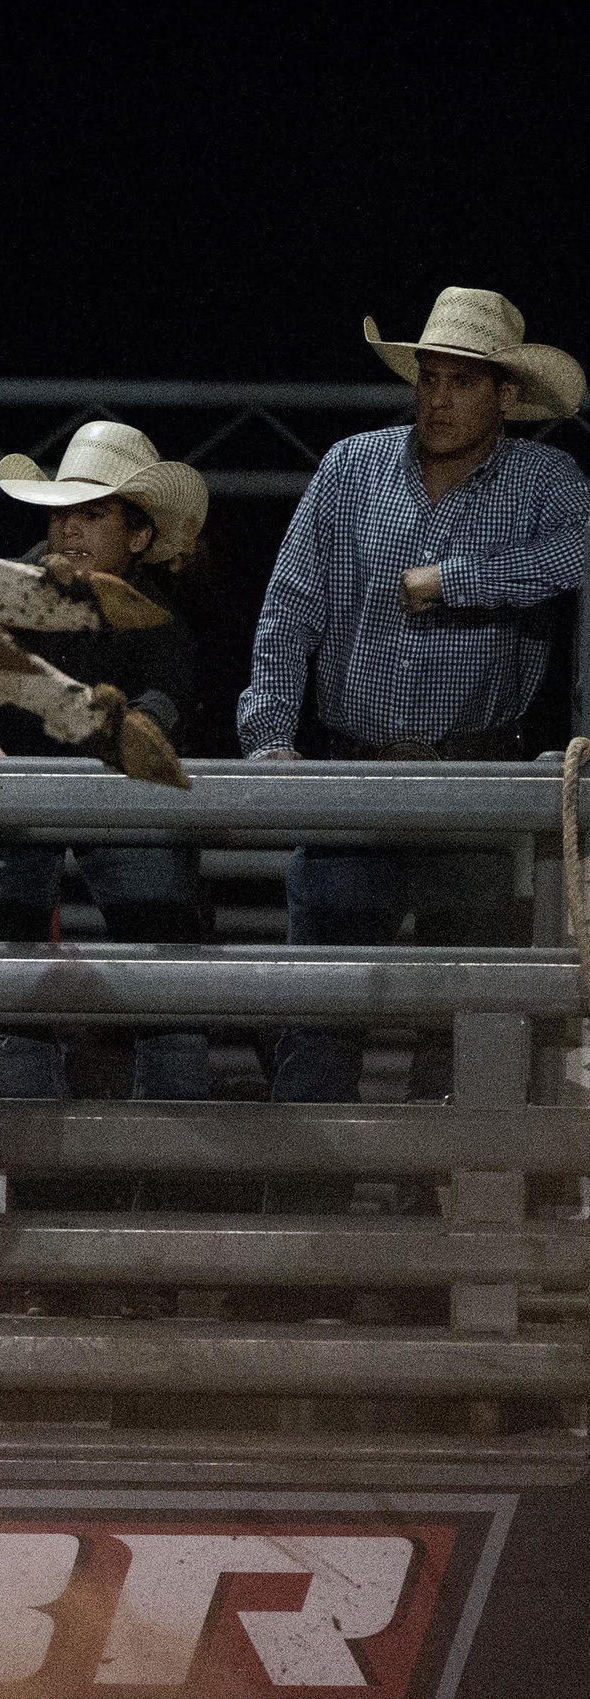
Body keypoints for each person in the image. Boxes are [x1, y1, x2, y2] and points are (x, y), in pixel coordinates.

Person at [240, 289, 590, 1109]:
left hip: (471, 790)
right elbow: (290, 607)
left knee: (459, 1026)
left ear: (506, 395)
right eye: (429, 379)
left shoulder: (545, 479)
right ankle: (307, 1217)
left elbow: (582, 551)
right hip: (353, 779)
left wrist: (454, 582)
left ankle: (437, 1213)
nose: (437, 399)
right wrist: (268, 737)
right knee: (321, 1016)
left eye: (462, 383)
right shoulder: (352, 466)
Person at [0, 421, 212, 1103]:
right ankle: (32, 1181)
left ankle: (171, 1182)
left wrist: (136, 728)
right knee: (14, 1005)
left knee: (167, 993)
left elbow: (168, 693)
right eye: (62, 513)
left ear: (138, 536)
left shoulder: (161, 618)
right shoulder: (6, 589)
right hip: (18, 795)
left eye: (94, 514)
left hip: (117, 797)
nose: (70, 531)